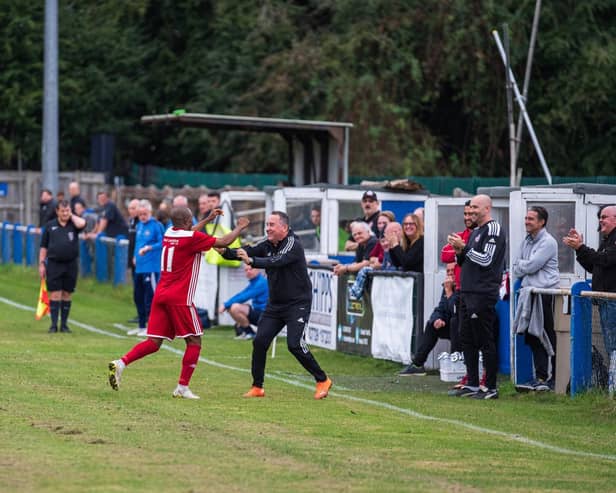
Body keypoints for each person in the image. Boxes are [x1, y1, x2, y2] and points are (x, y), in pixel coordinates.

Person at [108, 207, 250, 399]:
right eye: (191, 219)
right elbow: (224, 241)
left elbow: (190, 231)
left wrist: (208, 219)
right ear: (186, 221)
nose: (193, 222)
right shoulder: (192, 239)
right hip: (180, 298)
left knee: (154, 341)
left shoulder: (170, 232)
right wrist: (239, 227)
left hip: (161, 294)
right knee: (194, 340)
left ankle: (121, 363)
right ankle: (182, 388)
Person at [220, 211, 332, 399]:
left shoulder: (292, 244)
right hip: (275, 304)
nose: (268, 228)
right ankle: (257, 387)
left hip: (297, 303)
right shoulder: (268, 244)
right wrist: (225, 252)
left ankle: (322, 380)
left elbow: (277, 261)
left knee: (294, 344)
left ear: (284, 227)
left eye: (272, 225)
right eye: (267, 224)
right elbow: (247, 251)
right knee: (260, 342)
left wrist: (253, 261)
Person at [447, 194, 506, 399]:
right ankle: (472, 382)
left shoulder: (494, 229)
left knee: (485, 339)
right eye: (470, 207)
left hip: (482, 293)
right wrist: (458, 251)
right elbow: (465, 261)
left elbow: (487, 260)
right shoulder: (475, 232)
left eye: (475, 207)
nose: (471, 211)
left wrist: (465, 248)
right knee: (466, 338)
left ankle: (490, 386)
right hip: (467, 291)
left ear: (487, 208)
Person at [513, 206, 560, 392]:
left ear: (542, 222)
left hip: (545, 294)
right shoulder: (526, 241)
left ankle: (553, 378)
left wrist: (523, 265)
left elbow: (531, 265)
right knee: (532, 335)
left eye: (531, 219)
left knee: (547, 335)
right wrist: (524, 266)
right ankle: (540, 377)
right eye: (526, 218)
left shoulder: (548, 242)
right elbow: (515, 267)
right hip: (530, 293)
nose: (527, 221)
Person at [563, 204, 616, 356]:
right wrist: (579, 249)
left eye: (604, 217)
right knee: (610, 344)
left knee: (613, 345)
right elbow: (595, 267)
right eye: (600, 217)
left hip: (613, 301)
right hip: (606, 301)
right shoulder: (607, 240)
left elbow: (605, 259)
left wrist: (581, 247)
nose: (601, 220)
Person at [398, 263, 459, 375]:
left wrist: (449, 292)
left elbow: (457, 311)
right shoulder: (448, 287)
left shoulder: (462, 286)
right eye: (448, 271)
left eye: (453, 271)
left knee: (454, 322)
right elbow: (440, 308)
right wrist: (438, 319)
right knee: (432, 324)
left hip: (465, 328)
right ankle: (417, 364)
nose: (450, 274)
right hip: (453, 326)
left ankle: (456, 366)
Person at [38, 200, 86, 333]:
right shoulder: (50, 226)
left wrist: (72, 215)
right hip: (54, 264)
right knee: (55, 293)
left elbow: (83, 223)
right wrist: (42, 263)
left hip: (71, 264)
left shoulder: (74, 224)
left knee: (67, 293)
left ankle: (64, 325)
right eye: (62, 211)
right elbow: (43, 247)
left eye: (67, 210)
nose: (65, 213)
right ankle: (53, 325)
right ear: (57, 211)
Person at [129, 200, 164, 336]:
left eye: (145, 214)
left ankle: (152, 327)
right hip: (140, 267)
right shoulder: (139, 226)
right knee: (138, 296)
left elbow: (163, 242)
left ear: (150, 212)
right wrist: (134, 256)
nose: (143, 216)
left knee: (150, 297)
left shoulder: (156, 225)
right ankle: (141, 325)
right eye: (140, 214)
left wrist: (149, 248)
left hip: (151, 267)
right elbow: (138, 243)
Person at [218, 264, 269, 340]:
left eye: (250, 269)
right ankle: (249, 331)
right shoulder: (255, 282)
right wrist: (226, 305)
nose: (248, 272)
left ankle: (250, 332)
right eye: (246, 270)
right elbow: (241, 294)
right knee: (232, 307)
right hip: (259, 312)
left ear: (258, 270)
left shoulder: (261, 282)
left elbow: (244, 297)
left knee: (235, 308)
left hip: (266, 315)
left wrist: (225, 305)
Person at [126, 198, 141, 324]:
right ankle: (140, 313)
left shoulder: (142, 222)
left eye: (133, 208)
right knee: (136, 289)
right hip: (133, 261)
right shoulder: (131, 222)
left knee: (143, 289)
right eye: (129, 208)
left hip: (141, 261)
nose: (130, 210)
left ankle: (146, 314)